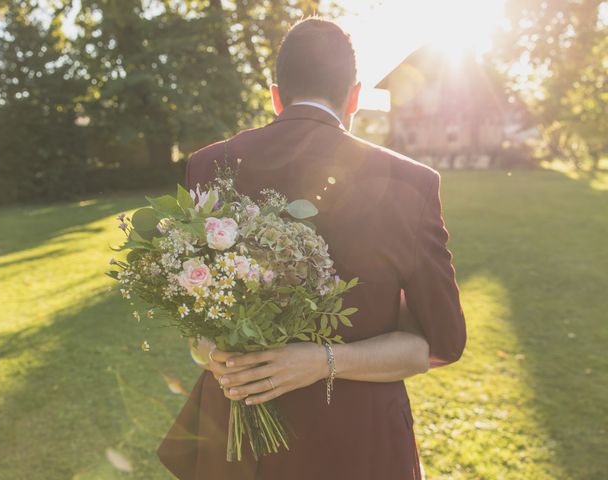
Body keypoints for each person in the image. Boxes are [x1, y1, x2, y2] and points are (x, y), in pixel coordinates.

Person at [157, 17, 466, 480]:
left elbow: (199, 314)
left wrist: (211, 351)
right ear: (355, 97)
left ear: (276, 95)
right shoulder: (412, 183)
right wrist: (329, 359)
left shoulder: (208, 165)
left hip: (242, 444)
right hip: (359, 443)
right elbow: (443, 343)